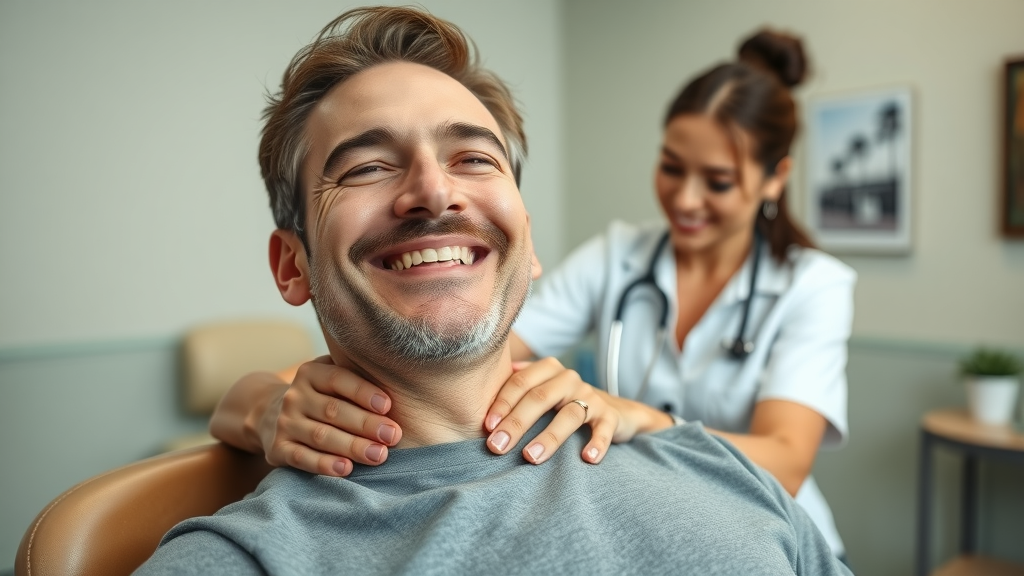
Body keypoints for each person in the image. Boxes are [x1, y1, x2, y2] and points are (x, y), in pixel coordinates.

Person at [134, 8, 852, 574]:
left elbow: (785, 456)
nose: (433, 191)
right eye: (366, 166)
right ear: (292, 266)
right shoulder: (239, 557)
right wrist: (260, 403)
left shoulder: (729, 461)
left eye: (472, 157)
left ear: (528, 241)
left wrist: (637, 418)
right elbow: (446, 343)